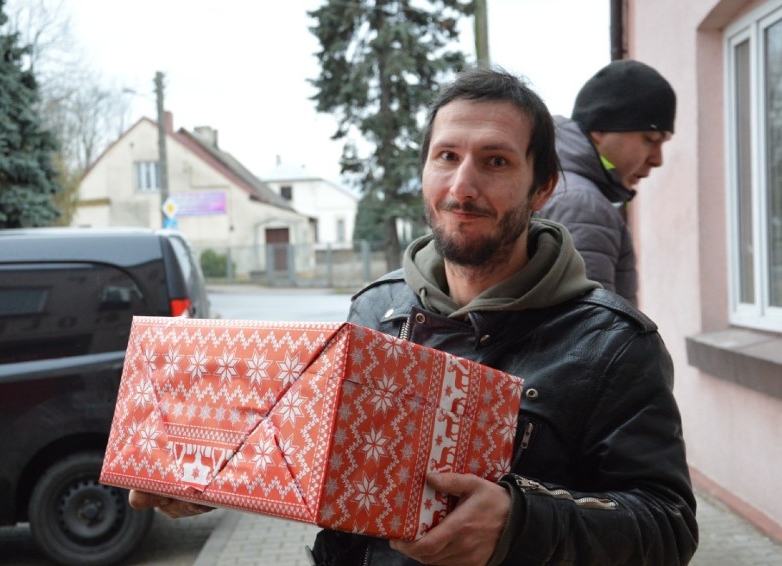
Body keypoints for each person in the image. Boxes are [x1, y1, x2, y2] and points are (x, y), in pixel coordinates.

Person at [129, 68, 698, 565]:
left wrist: (521, 524)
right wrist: (216, 478)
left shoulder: (612, 344)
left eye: (495, 161)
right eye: (446, 157)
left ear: (542, 186)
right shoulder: (375, 308)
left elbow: (668, 528)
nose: (462, 186)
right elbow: (320, 465)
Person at [537, 59, 677, 306]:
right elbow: (591, 333)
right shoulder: (582, 203)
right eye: (650, 139)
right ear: (600, 130)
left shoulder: (560, 185)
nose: (658, 160)